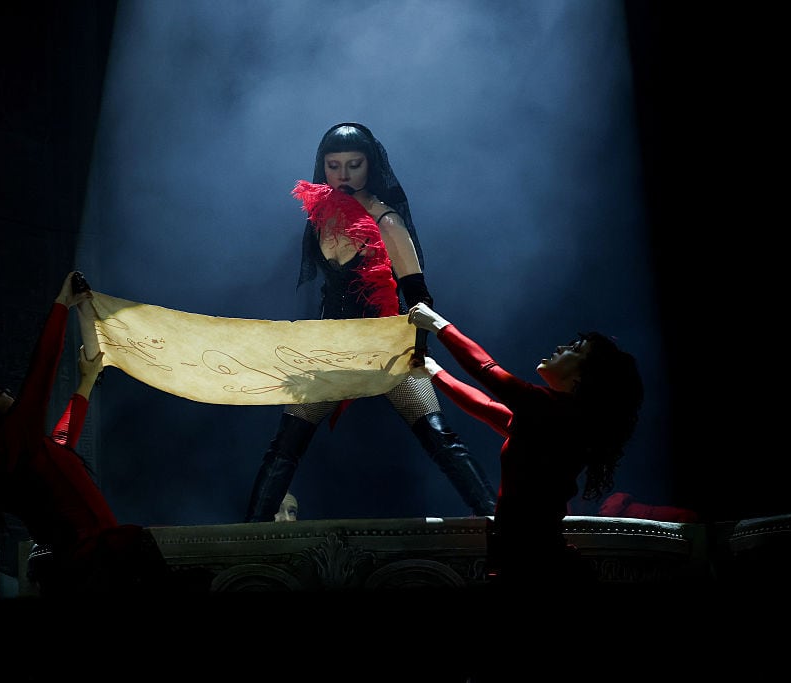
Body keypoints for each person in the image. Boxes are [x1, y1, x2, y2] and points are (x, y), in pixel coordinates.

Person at [244, 122, 497, 522]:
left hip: (386, 346)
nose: (343, 175)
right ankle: (250, 534)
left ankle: (494, 517)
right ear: (322, 167)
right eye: (333, 165)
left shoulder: (387, 221)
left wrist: (417, 352)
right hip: (333, 347)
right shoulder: (321, 216)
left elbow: (418, 296)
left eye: (354, 165)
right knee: (285, 445)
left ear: (370, 167)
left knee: (438, 435)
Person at [0, 270, 173, 597]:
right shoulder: (12, 442)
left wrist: (86, 382)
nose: (6, 391)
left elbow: (62, 441)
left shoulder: (24, 452)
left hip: (88, 563)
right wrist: (62, 303)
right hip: (93, 563)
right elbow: (42, 369)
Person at [407, 301, 644, 586]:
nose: (560, 348)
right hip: (531, 561)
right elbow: (487, 407)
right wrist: (433, 370)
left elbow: (487, 370)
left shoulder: (557, 411)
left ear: (581, 376)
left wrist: (437, 324)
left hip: (537, 566)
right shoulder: (553, 418)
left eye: (574, 349)